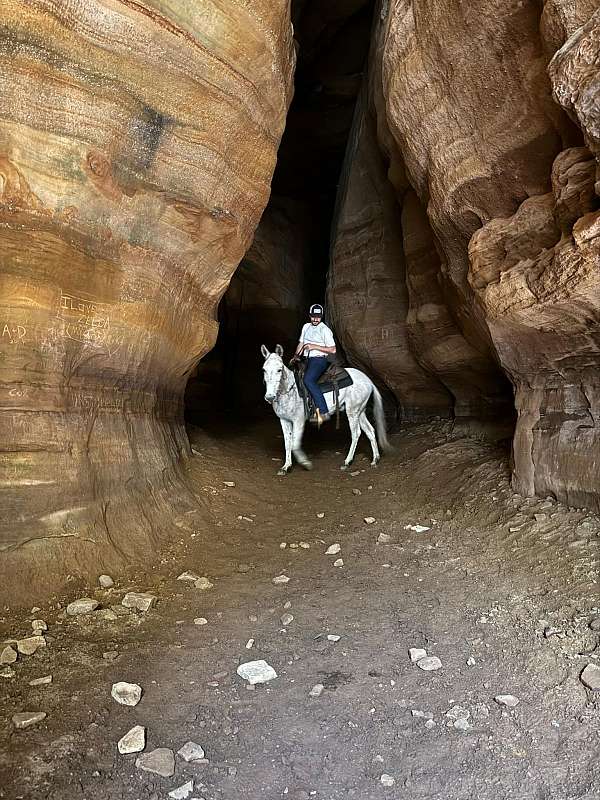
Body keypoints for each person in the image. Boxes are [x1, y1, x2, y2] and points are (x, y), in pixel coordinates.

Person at [293, 303, 336, 423]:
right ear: (310, 316)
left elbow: (333, 349)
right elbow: (301, 343)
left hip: (319, 360)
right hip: (306, 359)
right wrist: (296, 356)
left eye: (318, 316)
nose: (315, 319)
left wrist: (314, 346)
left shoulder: (325, 330)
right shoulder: (306, 326)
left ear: (321, 316)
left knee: (308, 380)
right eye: (313, 316)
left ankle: (323, 411)